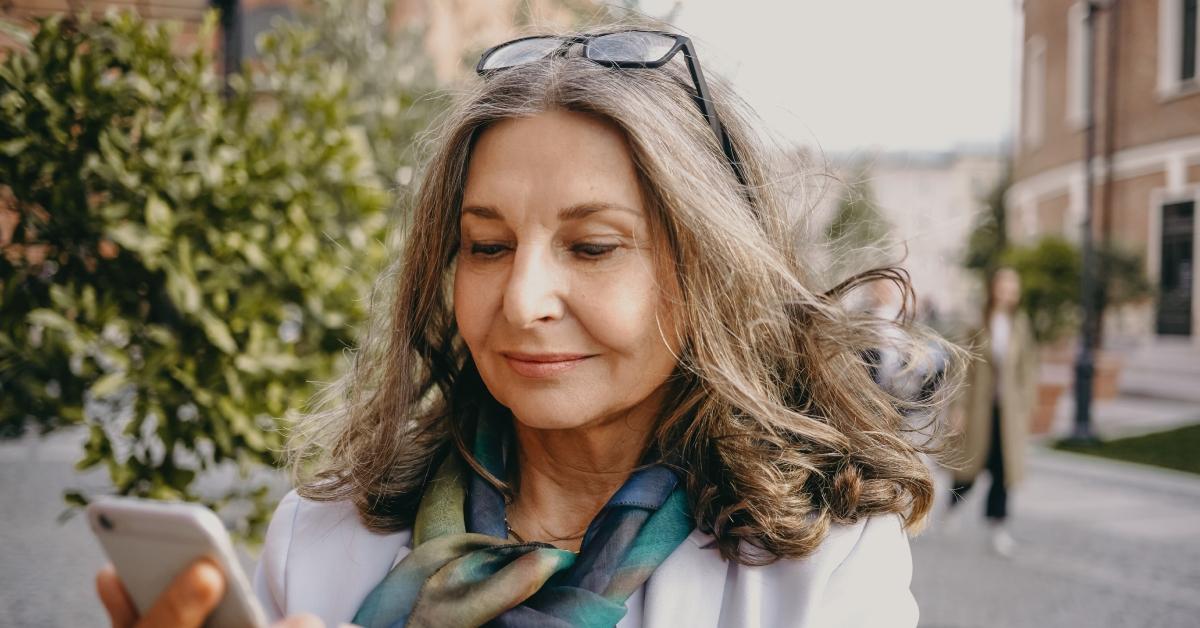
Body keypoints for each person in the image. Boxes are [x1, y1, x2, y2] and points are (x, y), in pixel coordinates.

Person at [97, 26, 959, 628]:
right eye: (486, 245)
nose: (521, 300)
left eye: (590, 247)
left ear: (709, 275)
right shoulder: (321, 536)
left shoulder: (823, 559)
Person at [946, 267, 1036, 557]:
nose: (1008, 291)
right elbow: (961, 367)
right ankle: (952, 506)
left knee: (1003, 470)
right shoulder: (977, 322)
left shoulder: (1020, 324)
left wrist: (1026, 406)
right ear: (993, 287)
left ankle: (998, 528)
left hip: (1008, 413)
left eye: (1014, 286)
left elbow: (1028, 368)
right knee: (970, 467)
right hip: (978, 410)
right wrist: (957, 407)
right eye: (1004, 285)